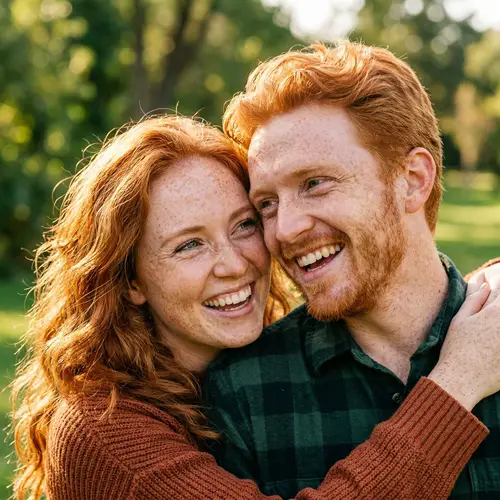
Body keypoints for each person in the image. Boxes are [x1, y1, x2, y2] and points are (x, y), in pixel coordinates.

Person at [10, 116, 498, 500]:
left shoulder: (235, 377)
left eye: (244, 224)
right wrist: (457, 382)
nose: (234, 264)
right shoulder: (104, 432)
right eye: (188, 246)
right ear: (131, 279)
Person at [204, 41, 500, 499]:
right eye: (266, 204)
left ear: (413, 180)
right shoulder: (242, 395)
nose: (285, 228)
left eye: (314, 183)